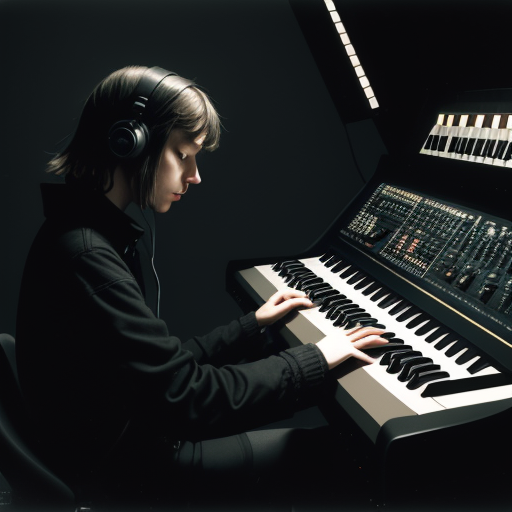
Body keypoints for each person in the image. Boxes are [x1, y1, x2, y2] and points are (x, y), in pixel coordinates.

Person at [15, 65, 387, 509]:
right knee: (338, 456)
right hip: (135, 473)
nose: (195, 176)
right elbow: (186, 398)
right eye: (183, 154)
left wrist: (251, 327)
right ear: (130, 143)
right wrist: (315, 360)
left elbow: (159, 374)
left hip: (128, 446)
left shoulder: (82, 232)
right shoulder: (88, 257)